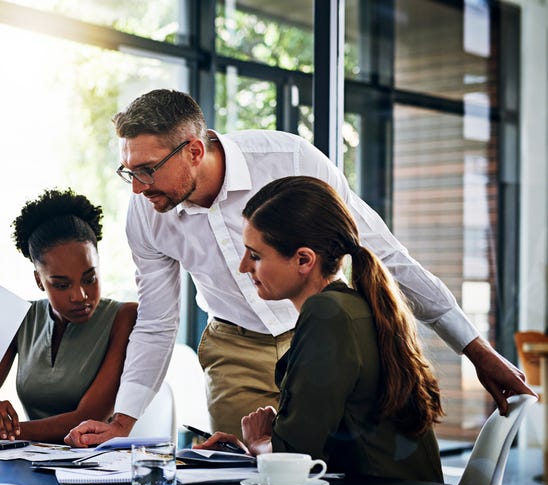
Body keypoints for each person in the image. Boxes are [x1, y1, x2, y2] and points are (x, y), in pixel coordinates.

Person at [65, 88, 533, 445]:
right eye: (129, 171)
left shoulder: (289, 161)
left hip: (318, 340)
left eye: (147, 170)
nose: (137, 188)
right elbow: (157, 320)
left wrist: (476, 351)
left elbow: (384, 255)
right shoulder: (147, 212)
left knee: (328, 474)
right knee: (246, 480)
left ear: (193, 150)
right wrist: (122, 421)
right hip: (235, 348)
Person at [194, 176, 443, 481]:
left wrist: (260, 443)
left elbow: (298, 461)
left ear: (303, 260)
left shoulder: (327, 314)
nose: (244, 267)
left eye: (256, 255)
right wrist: (268, 439)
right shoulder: (352, 306)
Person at [0, 189, 137, 443]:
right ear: (39, 281)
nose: (80, 295)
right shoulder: (19, 318)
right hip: (31, 462)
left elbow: (87, 418)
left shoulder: (125, 317)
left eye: (89, 279)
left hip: (100, 467)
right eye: (62, 285)